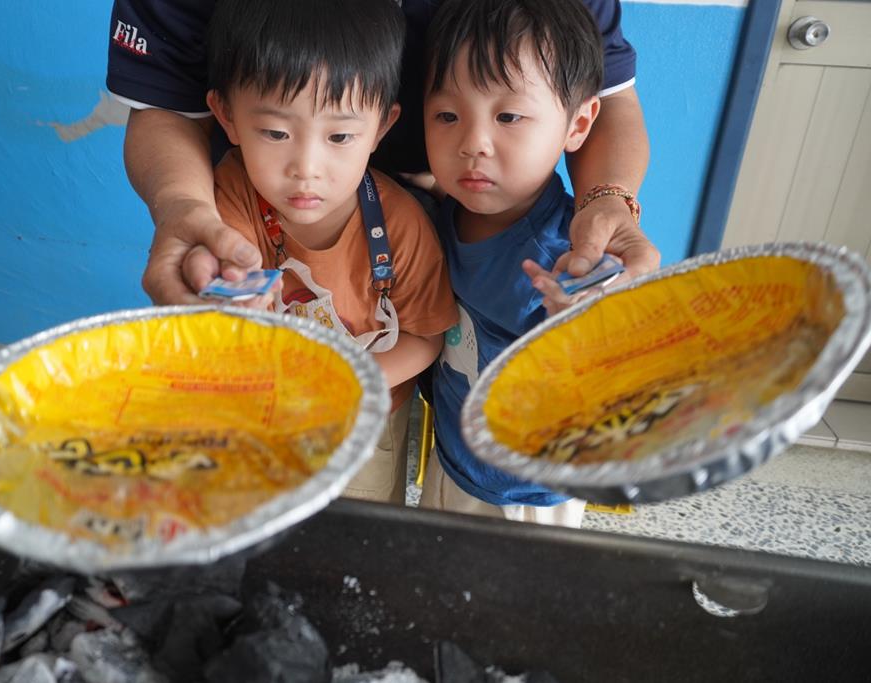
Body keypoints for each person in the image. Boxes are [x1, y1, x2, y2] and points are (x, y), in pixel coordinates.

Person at [106, 0, 659, 309]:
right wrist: (183, 206)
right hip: (254, 217)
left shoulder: (499, 247)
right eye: (276, 131)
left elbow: (603, 94)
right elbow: (166, 104)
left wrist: (609, 199)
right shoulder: (242, 206)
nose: (308, 164)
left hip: (457, 215)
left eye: (508, 117)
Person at [202, 0, 459, 504]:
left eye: (340, 135)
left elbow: (426, 336)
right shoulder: (231, 192)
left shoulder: (402, 225)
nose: (307, 167)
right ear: (227, 116)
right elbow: (226, 280)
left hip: (367, 422)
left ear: (381, 128)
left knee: (358, 529)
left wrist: (347, 387)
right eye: (276, 133)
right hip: (262, 411)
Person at [418, 0, 623, 526]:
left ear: (577, 124)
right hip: (456, 462)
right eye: (447, 116)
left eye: (508, 116)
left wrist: (578, 328)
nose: (472, 144)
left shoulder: (567, 260)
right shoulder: (447, 210)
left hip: (530, 496)